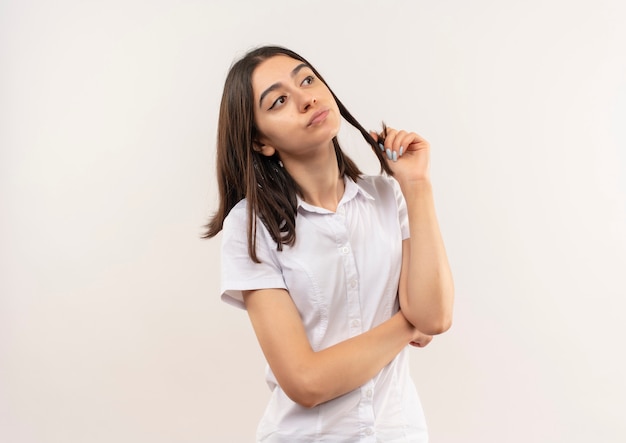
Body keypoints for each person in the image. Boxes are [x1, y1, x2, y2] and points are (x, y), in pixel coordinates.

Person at [204, 45, 454, 442]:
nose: (306, 99)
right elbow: (305, 382)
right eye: (280, 100)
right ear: (260, 142)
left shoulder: (390, 198)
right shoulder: (250, 227)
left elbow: (437, 318)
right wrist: (408, 324)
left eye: (307, 80)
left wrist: (417, 186)